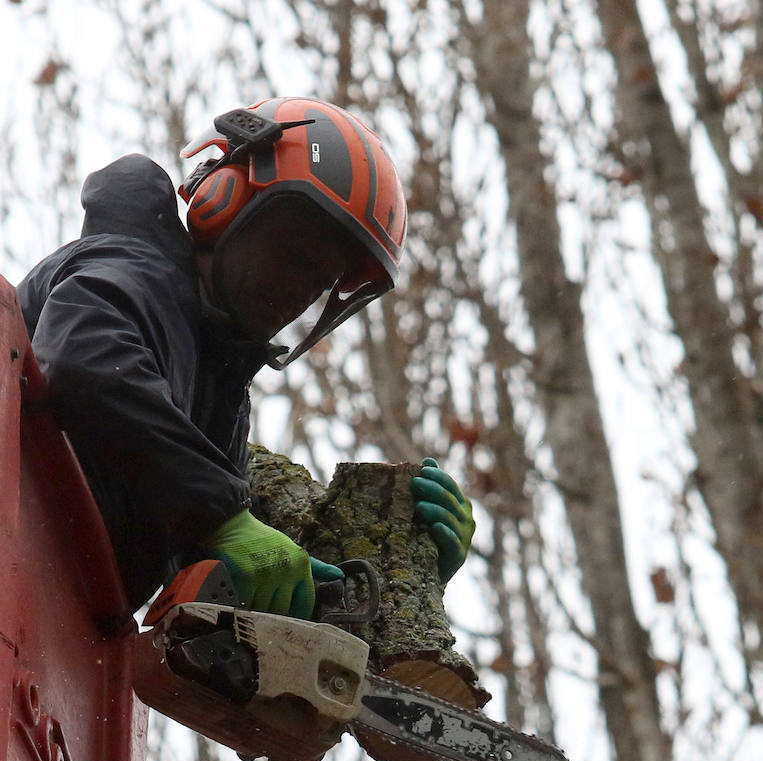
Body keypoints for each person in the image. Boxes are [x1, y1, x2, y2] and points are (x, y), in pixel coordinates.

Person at [17, 97, 474, 617]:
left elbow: (221, 565)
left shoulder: (216, 394)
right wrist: (223, 519)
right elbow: (85, 363)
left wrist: (406, 571)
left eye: (319, 280)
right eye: (293, 256)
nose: (298, 290)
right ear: (223, 199)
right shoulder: (136, 268)